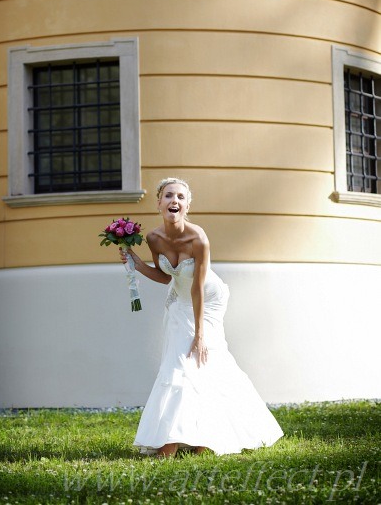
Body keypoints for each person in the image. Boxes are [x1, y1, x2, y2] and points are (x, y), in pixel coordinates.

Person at [119, 177, 284, 457]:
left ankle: (196, 438)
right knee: (177, 361)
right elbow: (164, 276)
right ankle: (180, 437)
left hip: (207, 299)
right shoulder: (153, 238)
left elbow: (197, 287)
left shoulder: (198, 238)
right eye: (169, 196)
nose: (175, 201)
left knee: (199, 356)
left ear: (187, 205)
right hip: (180, 297)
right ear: (159, 203)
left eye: (181, 197)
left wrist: (200, 334)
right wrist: (136, 263)